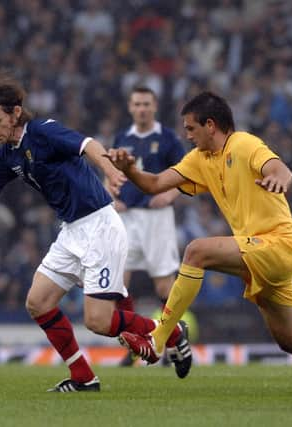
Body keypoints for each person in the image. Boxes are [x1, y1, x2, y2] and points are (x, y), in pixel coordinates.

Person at [108, 91, 292, 392]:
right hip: (256, 255)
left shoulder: (244, 144)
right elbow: (155, 184)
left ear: (210, 125)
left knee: (196, 251)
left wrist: (278, 180)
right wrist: (129, 169)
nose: (187, 135)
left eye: (191, 128)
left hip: (277, 245)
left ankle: (158, 341)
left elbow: (281, 170)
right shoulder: (200, 159)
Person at [0, 71, 188, 392]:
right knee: (38, 302)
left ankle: (171, 332)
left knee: (98, 321)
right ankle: (84, 378)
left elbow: (88, 145)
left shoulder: (42, 131)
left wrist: (111, 172)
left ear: (16, 113)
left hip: (99, 225)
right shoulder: (9, 154)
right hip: (71, 231)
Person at [112, 86, 189, 366]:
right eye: (137, 104)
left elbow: (187, 173)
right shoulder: (122, 138)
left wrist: (169, 195)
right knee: (120, 285)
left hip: (157, 219)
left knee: (163, 286)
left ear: (154, 106)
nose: (142, 108)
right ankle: (133, 347)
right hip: (127, 218)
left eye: (146, 103)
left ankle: (171, 343)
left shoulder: (167, 138)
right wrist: (113, 196)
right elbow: (112, 175)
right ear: (131, 107)